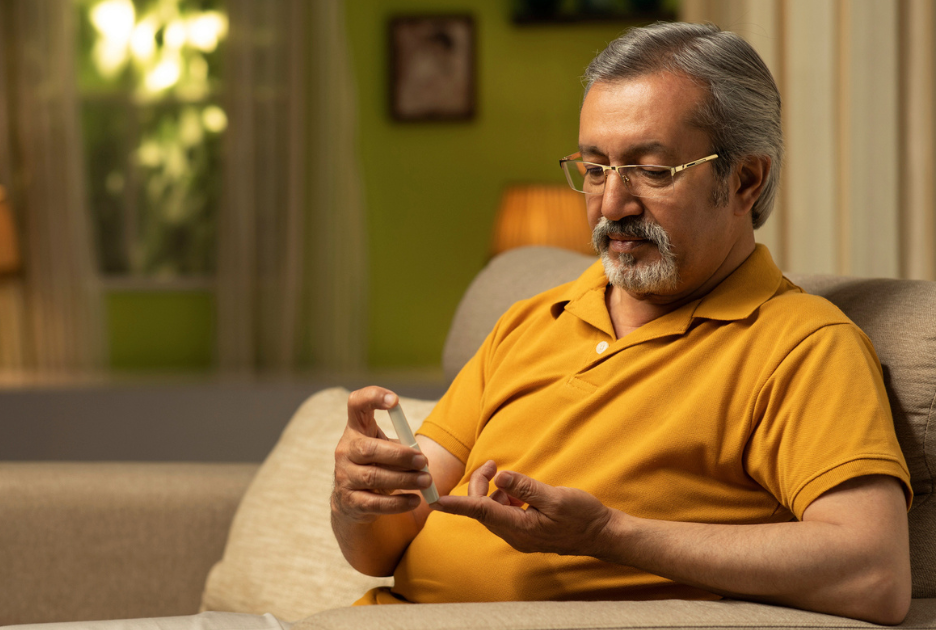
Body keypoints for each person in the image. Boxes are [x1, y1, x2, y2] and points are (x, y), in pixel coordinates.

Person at [331, 21, 912, 625]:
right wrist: (357, 500)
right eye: (595, 168)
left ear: (745, 180)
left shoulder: (802, 346)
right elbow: (379, 548)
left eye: (652, 171)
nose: (612, 205)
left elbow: (874, 573)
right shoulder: (532, 318)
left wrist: (609, 533)